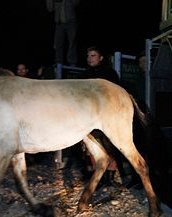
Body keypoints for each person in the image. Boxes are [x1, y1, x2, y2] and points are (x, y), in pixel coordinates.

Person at [80, 46, 121, 187]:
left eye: (93, 55)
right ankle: (100, 177)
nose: (90, 58)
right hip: (89, 118)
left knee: (109, 145)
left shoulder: (110, 73)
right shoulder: (84, 75)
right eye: (88, 56)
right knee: (93, 146)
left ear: (101, 57)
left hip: (107, 116)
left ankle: (110, 177)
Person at [46, 0, 79, 66]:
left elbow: (76, 3)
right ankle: (58, 62)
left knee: (72, 42)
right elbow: (50, 9)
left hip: (71, 21)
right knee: (58, 43)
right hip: (59, 22)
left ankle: (72, 62)